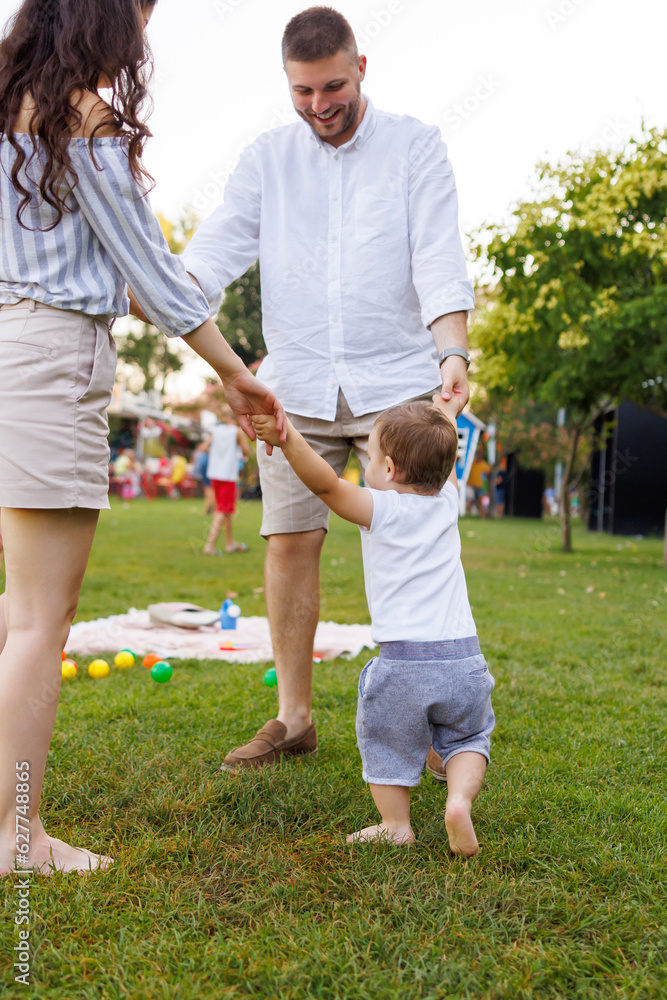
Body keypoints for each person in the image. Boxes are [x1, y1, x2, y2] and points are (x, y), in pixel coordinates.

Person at [0, 0, 283, 876]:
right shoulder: (79, 113)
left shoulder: (8, 102)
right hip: (47, 356)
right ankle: (17, 838)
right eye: (142, 14)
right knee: (43, 617)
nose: (144, 36)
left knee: (17, 611)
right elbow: (151, 270)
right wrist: (236, 371)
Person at [177, 6, 475, 771]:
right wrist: (171, 286)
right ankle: (294, 718)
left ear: (361, 68)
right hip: (296, 383)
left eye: (332, 86)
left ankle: (437, 726)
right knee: (289, 540)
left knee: (417, 545)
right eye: (302, 92)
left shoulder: (416, 146)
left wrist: (453, 353)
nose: (318, 105)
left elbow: (439, 256)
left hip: (396, 382)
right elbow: (215, 249)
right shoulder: (267, 158)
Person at [251, 396, 495, 855]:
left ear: (386, 468)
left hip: (403, 665)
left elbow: (324, 484)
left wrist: (287, 437)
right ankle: (459, 800)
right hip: (465, 660)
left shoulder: (380, 509)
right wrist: (447, 406)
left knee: (385, 743)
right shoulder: (449, 501)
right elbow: (441, 450)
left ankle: (395, 824)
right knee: (468, 738)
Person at [203, 407, 250, 555]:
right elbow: (246, 451)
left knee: (226, 509)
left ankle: (230, 543)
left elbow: (203, 448)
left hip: (214, 474)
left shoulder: (216, 431)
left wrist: (217, 453)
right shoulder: (237, 432)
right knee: (222, 510)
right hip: (228, 474)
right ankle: (209, 546)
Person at [467, 447, 490, 518]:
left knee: (480, 501)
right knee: (470, 501)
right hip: (471, 484)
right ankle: (466, 513)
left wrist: (486, 487)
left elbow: (487, 477)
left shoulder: (484, 465)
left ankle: (482, 516)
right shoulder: (472, 463)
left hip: (480, 486)